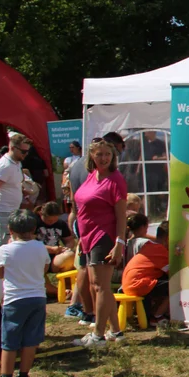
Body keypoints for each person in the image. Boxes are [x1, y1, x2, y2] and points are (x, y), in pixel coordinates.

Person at [73, 138, 128, 347]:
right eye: (99, 154)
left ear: (113, 156)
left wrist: (119, 243)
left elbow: (121, 216)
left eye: (107, 154)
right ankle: (116, 331)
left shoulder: (115, 180)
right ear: (92, 156)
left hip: (104, 237)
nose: (103, 158)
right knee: (99, 285)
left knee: (100, 286)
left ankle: (98, 334)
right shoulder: (91, 176)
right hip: (87, 236)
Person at [0, 210, 50, 377]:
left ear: (10, 229)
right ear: (33, 229)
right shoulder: (40, 247)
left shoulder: (5, 250)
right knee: (31, 339)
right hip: (38, 297)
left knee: (9, 341)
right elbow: (44, 269)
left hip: (14, 299)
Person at [0, 133, 33, 249]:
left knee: (7, 251)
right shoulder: (5, 166)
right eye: (23, 151)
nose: (26, 154)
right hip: (1, 213)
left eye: (27, 151)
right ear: (12, 148)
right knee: (0, 251)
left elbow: (11, 184)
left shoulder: (16, 162)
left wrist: (22, 191)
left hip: (11, 212)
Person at [34, 202, 76, 296]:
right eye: (49, 220)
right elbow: (30, 244)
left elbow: (69, 240)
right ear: (41, 214)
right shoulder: (34, 222)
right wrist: (51, 249)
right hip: (37, 258)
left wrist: (67, 247)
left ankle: (68, 286)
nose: (52, 222)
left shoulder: (60, 224)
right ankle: (53, 291)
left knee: (69, 256)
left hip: (53, 259)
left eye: (54, 220)